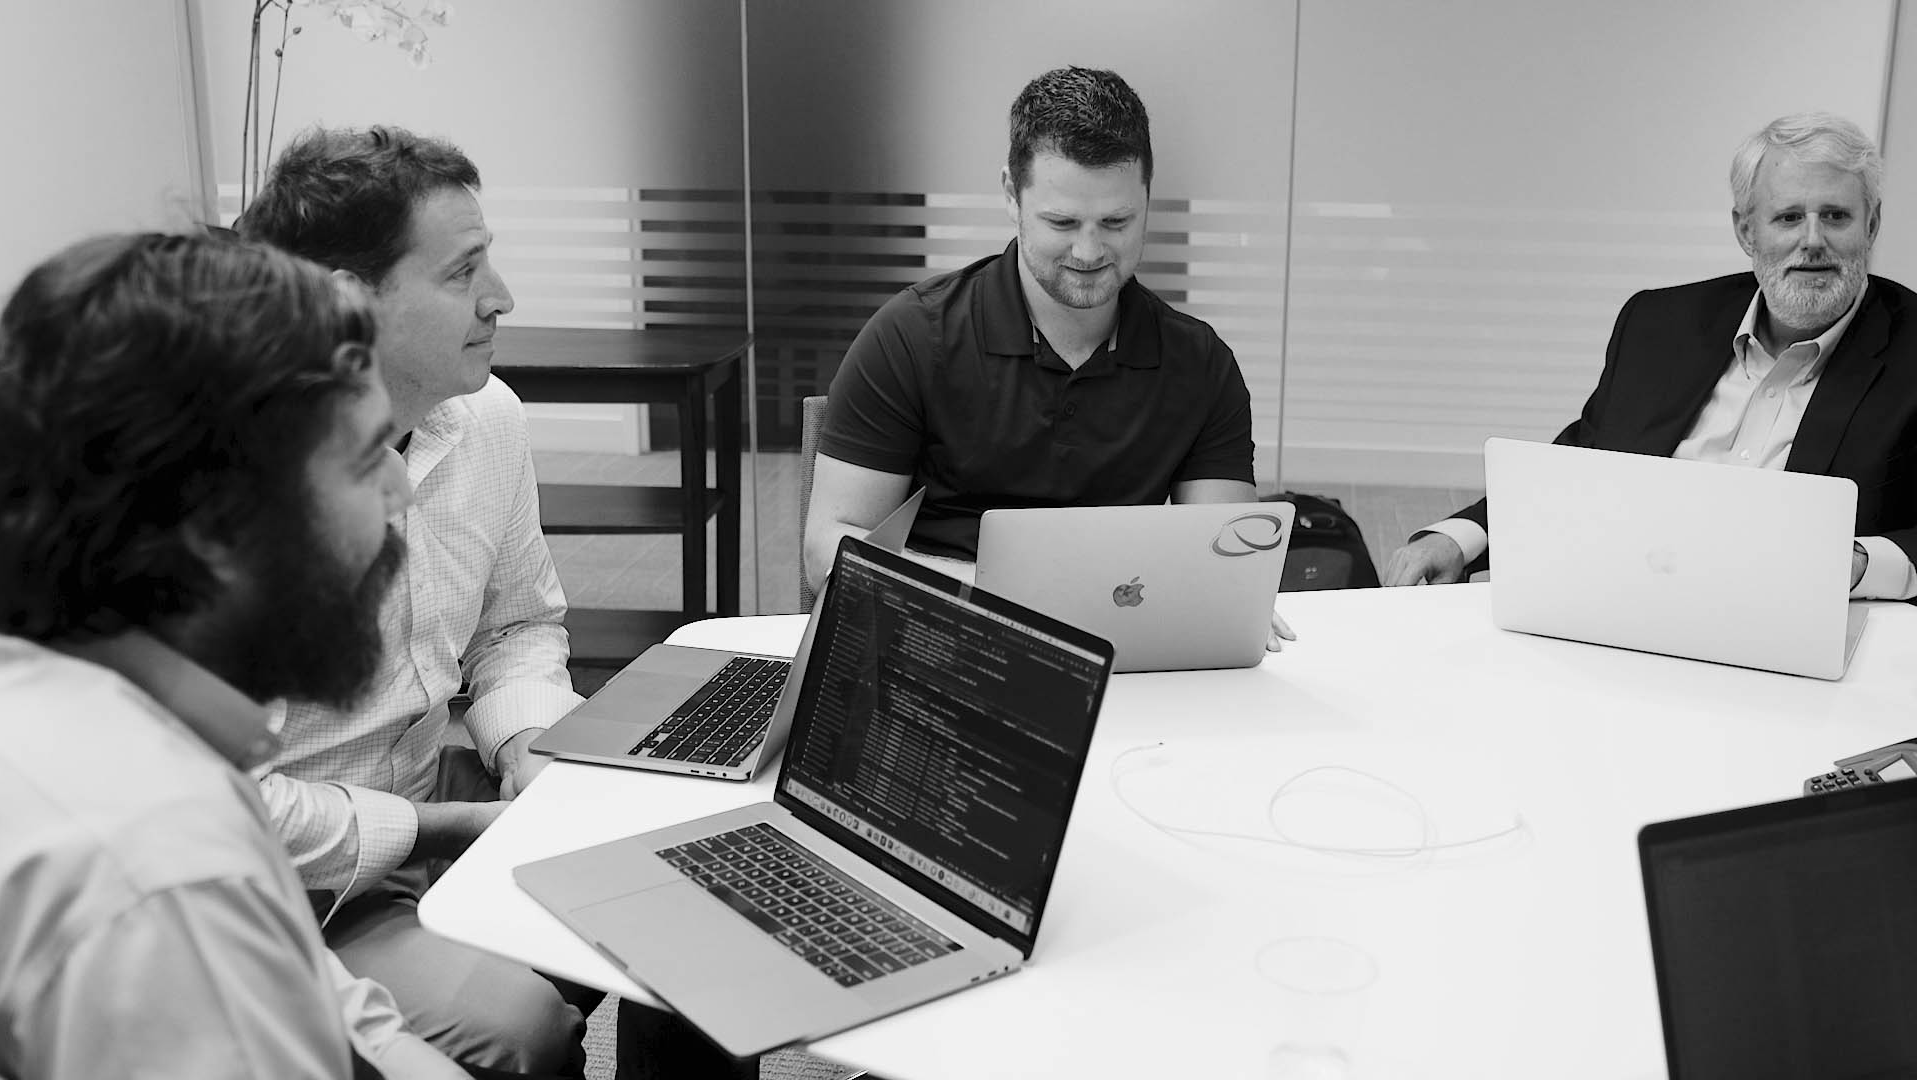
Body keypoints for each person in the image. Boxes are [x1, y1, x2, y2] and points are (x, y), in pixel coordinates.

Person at [0, 231, 470, 1079]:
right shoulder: (165, 869)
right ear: (216, 525)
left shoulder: (79, 697)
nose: (400, 496)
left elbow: (316, 1001)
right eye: (367, 462)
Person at [238, 126, 596, 1073]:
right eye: (462, 272)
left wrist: (527, 751)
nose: (502, 298)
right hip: (276, 890)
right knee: (526, 1026)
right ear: (350, 304)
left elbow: (517, 625)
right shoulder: (232, 494)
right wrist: (448, 830)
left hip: (425, 800)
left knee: (655, 887)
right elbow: (228, 808)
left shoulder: (485, 417)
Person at [804, 66, 1288, 652]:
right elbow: (827, 548)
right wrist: (1006, 602)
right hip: (941, 637)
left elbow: (1225, 564)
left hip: (1120, 645)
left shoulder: (1199, 363)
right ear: (1011, 194)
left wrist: (1230, 598)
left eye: (1116, 221)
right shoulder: (912, 336)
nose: (1089, 251)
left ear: (1147, 201)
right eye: (1061, 222)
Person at [1385, 112, 1917, 600]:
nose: (1813, 240)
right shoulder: (1662, 323)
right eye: (1788, 218)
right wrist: (1464, 536)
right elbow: (1587, 457)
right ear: (1746, 231)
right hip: (1628, 604)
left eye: (1836, 216)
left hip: (1793, 632)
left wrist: (1861, 562)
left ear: (1870, 227)